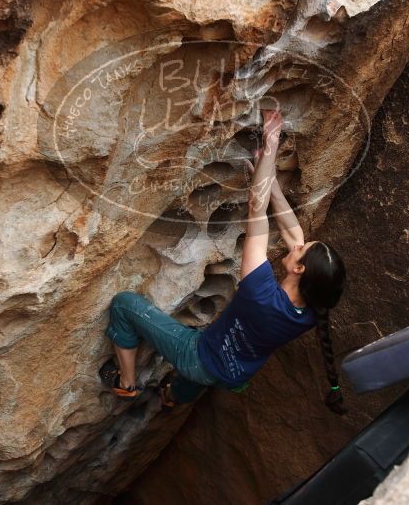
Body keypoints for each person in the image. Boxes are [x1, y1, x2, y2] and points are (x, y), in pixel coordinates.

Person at [101, 108, 347, 414]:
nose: (297, 245)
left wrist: (271, 143)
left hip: (200, 357)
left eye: (301, 250)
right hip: (235, 375)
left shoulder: (260, 293)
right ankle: (172, 396)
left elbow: (257, 211)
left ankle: (127, 383)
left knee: (125, 305)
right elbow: (290, 231)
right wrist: (267, 178)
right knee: (198, 377)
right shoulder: (312, 310)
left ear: (300, 269)